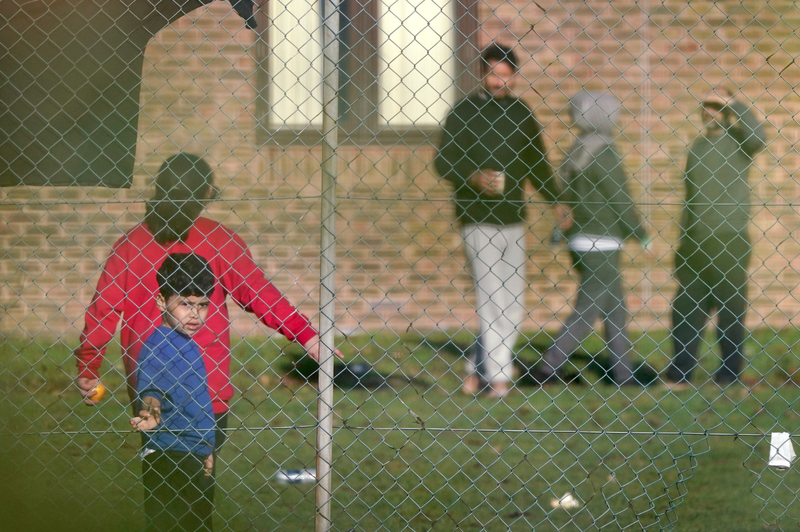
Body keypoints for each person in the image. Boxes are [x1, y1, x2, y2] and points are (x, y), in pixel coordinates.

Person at [75, 153, 342, 433]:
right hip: (206, 387)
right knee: (200, 472)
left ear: (158, 190)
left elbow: (102, 311)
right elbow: (259, 293)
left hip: (150, 385)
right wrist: (306, 335)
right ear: (209, 193)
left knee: (160, 472)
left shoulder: (130, 244)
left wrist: (88, 367)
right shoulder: (219, 240)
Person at [434, 43, 566, 397]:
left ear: (515, 77)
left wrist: (556, 201)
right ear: (481, 73)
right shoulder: (462, 113)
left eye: (506, 77)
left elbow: (538, 163)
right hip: (477, 219)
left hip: (514, 219)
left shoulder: (522, 113)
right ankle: (499, 378)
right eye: (493, 75)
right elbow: (443, 162)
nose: (498, 83)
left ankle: (476, 369)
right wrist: (474, 177)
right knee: (491, 298)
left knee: (512, 300)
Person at [534, 91, 649, 386]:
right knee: (587, 310)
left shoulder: (577, 150)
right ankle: (548, 368)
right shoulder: (604, 152)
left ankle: (624, 374)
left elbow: (566, 197)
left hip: (580, 240)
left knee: (615, 310)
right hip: (603, 240)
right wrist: (639, 232)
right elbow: (619, 196)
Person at [665, 89, 766, 388]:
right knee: (686, 310)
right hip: (696, 242)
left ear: (726, 111)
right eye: (706, 106)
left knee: (730, 311)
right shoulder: (697, 147)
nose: (709, 111)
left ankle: (729, 374)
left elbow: (758, 136)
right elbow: (690, 199)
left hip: (730, 238)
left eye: (716, 106)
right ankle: (679, 374)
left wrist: (734, 103)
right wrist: (683, 241)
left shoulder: (738, 140)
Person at [130, 253, 218, 532]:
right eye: (185, 304)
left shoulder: (186, 342)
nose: (195, 314)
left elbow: (193, 402)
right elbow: (152, 387)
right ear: (161, 301)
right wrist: (151, 412)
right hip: (169, 455)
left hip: (192, 452)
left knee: (198, 523)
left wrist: (205, 448)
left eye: (203, 305)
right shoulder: (159, 346)